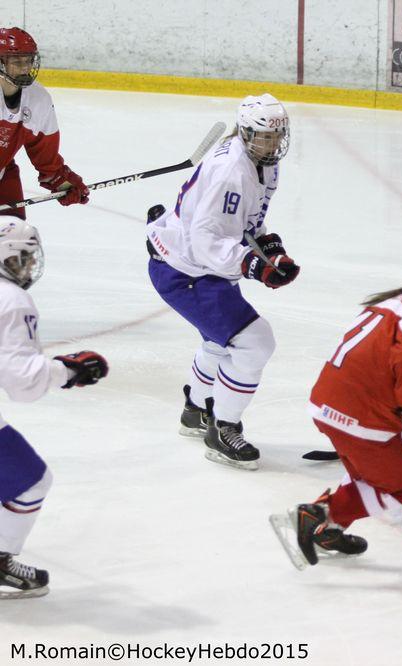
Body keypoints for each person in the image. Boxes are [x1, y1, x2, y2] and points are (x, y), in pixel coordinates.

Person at [271, 246, 402, 568]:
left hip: (328, 400)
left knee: (367, 477)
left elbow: (395, 375)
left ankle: (327, 529)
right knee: (401, 484)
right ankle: (316, 515)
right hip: (360, 413)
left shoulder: (399, 299)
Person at [145, 93, 299, 471]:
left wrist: (270, 251)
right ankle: (222, 428)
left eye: (278, 136)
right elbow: (206, 241)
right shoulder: (231, 171)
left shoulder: (260, 161)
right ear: (246, 133)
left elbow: (247, 221)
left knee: (221, 340)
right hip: (186, 271)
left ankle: (196, 411)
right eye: (266, 136)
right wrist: (254, 267)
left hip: (195, 266)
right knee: (253, 342)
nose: (274, 143)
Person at [0, 220, 108, 598]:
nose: (28, 266)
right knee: (30, 482)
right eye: (23, 257)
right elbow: (22, 383)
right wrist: (71, 370)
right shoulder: (11, 300)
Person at [0, 27, 90, 218]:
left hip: (2, 174)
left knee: (16, 240)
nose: (25, 67)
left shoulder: (38, 100)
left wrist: (63, 182)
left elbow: (46, 157)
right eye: (17, 61)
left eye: (28, 60)